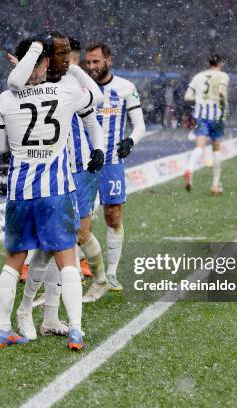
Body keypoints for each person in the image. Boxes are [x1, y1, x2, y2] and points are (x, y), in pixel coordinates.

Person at [0, 37, 103, 350]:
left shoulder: (4, 100)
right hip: (56, 190)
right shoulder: (65, 91)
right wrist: (75, 69)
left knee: (13, 261)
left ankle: (2, 329)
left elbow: (0, 148)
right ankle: (76, 331)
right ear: (45, 63)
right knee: (67, 259)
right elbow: (94, 96)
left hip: (20, 191)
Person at [84, 41, 147, 291]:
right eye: (88, 62)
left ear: (108, 61)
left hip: (111, 163)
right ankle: (82, 267)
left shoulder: (125, 88)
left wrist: (131, 140)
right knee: (80, 222)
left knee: (113, 215)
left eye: (96, 62)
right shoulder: (80, 88)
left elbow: (140, 124)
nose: (91, 67)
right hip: (83, 165)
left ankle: (110, 273)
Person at [183, 54, 230, 195]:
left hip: (202, 116)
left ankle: (190, 169)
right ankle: (215, 185)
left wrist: (199, 98)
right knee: (216, 149)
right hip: (216, 116)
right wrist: (225, 106)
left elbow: (187, 97)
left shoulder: (198, 76)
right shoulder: (223, 76)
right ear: (221, 63)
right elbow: (221, 92)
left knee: (200, 147)